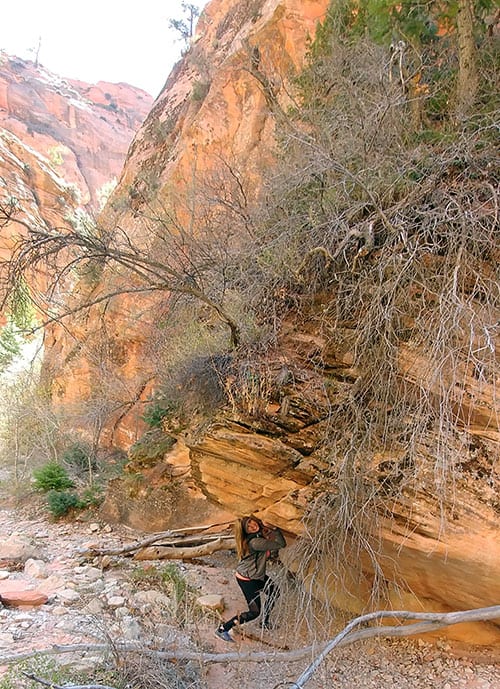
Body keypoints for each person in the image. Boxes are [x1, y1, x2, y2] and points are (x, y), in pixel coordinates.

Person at [215, 514, 286, 643]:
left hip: (256, 575)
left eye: (253, 523)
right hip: (247, 579)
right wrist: (275, 529)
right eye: (249, 527)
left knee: (274, 592)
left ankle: (264, 622)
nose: (253, 526)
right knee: (254, 612)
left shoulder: (256, 537)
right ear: (246, 531)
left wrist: (265, 532)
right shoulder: (255, 542)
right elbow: (281, 544)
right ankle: (223, 629)